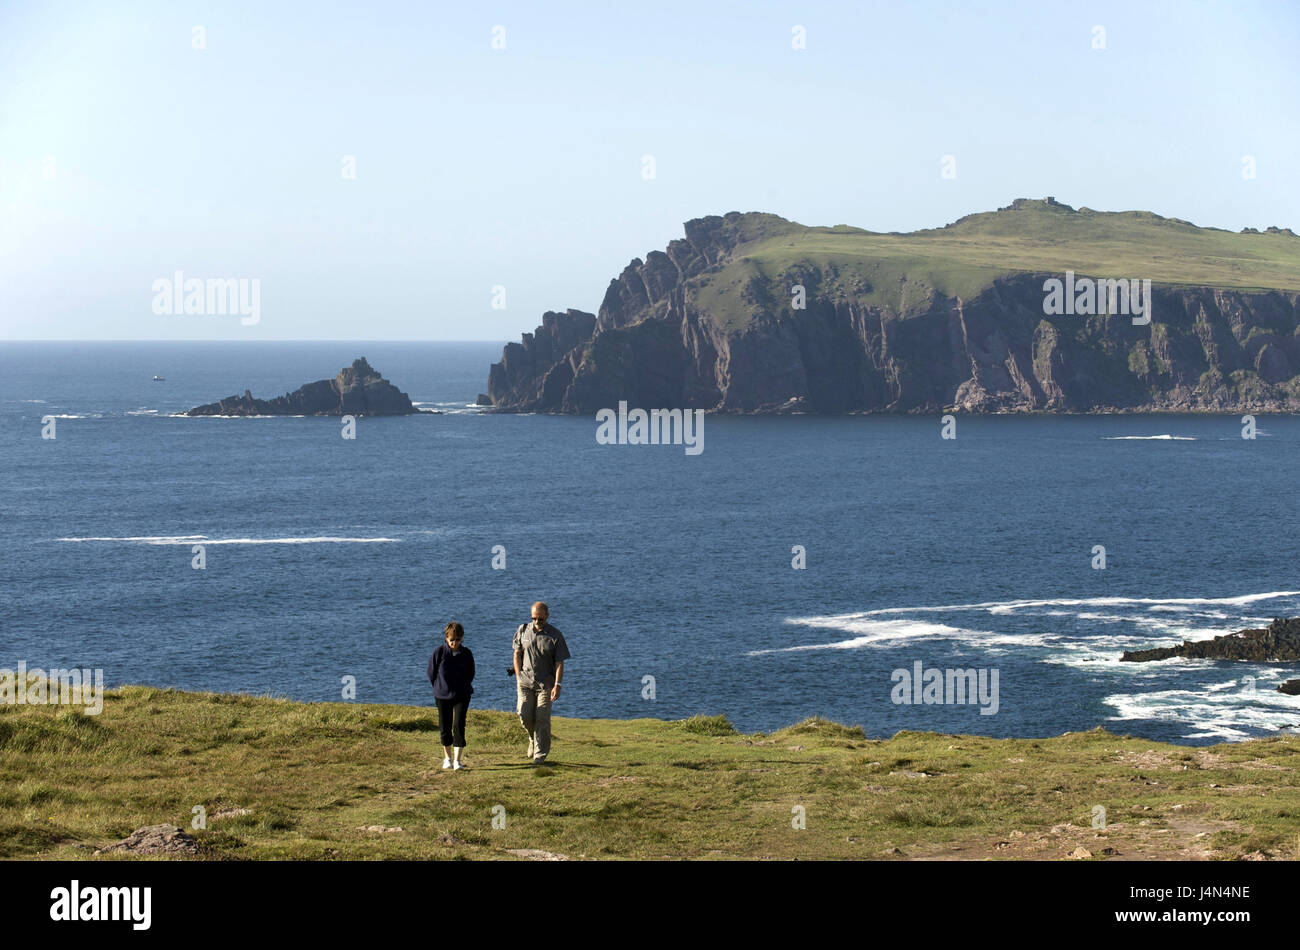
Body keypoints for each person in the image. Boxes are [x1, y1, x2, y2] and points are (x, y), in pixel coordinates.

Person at [513, 602, 571, 765]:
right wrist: (518, 675)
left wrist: (558, 685)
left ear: (547, 615)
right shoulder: (523, 631)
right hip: (525, 682)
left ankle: (540, 754)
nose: (536, 621)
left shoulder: (555, 635)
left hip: (546, 684)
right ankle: (532, 739)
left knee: (542, 718)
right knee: (524, 715)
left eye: (540, 618)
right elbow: (517, 654)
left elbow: (560, 662)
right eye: (533, 618)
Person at [427, 621, 475, 771]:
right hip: (442, 695)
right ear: (446, 639)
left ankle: (457, 760)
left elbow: (471, 672)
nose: (455, 643)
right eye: (452, 640)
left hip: (462, 694)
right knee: (445, 726)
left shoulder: (466, 653)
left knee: (459, 725)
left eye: (458, 640)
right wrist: (439, 687)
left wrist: (463, 686)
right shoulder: (439, 652)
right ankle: (447, 758)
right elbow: (431, 672)